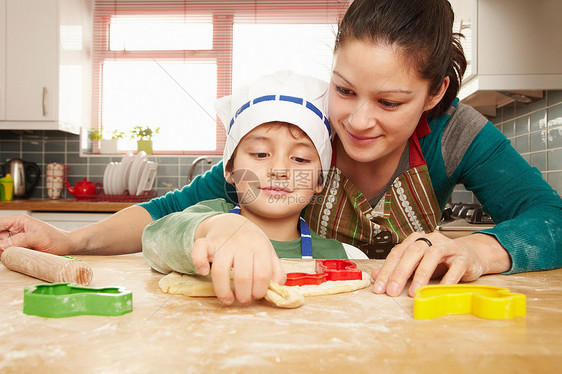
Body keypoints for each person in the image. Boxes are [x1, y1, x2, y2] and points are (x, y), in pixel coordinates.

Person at [1, 0, 561, 302]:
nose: (358, 121)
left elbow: (552, 218)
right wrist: (69, 240)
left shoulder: (458, 133)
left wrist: (484, 251)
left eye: (390, 101)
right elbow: (170, 215)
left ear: (434, 93)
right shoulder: (299, 136)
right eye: (344, 89)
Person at [141, 70, 349, 304]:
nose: (279, 170)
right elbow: (154, 240)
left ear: (320, 181)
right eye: (260, 154)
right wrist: (215, 227)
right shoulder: (210, 218)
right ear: (229, 169)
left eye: (300, 159)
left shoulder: (334, 254)